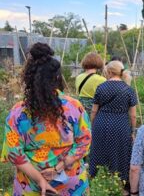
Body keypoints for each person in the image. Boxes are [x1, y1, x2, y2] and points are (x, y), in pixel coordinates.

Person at [0, 43, 92, 195]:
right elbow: (84, 141)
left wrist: (40, 180)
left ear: (29, 77)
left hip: (30, 185)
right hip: (70, 183)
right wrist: (58, 168)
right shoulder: (74, 107)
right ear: (57, 76)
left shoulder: (17, 112)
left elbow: (13, 153)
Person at [89, 61, 137, 193]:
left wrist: (93, 125)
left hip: (101, 123)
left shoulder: (101, 87)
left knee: (99, 151)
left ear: (109, 72)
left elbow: (94, 111)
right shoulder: (129, 90)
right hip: (121, 125)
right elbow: (133, 115)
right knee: (120, 152)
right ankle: (120, 184)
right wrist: (132, 131)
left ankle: (96, 179)